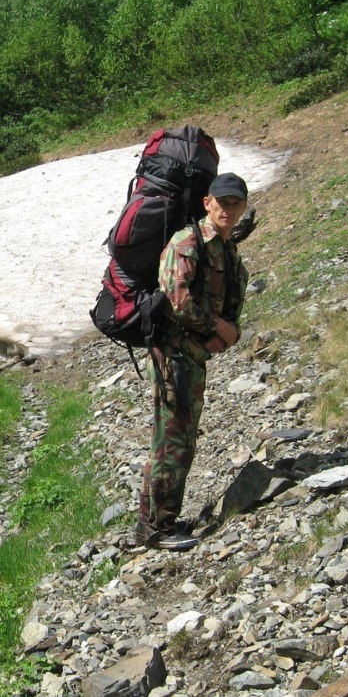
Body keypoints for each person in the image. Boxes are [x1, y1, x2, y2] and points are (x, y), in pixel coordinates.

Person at [136, 172, 250, 551]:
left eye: (236, 204)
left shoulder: (225, 248)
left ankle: (150, 524)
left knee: (172, 438)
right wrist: (217, 326)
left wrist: (221, 333)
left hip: (192, 354)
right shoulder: (188, 241)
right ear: (207, 203)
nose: (228, 210)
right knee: (174, 441)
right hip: (173, 353)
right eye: (223, 202)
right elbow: (176, 299)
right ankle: (159, 528)